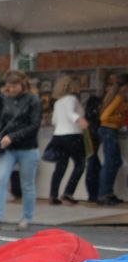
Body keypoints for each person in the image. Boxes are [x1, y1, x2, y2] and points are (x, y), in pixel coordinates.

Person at [0, 70, 42, 231]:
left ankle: (26, 217)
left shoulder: (33, 100)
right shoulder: (7, 100)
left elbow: (34, 125)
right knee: (0, 179)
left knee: (27, 184)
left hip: (27, 147)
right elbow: (3, 120)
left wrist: (13, 137)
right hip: (8, 147)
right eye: (8, 86)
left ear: (22, 84)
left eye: (14, 86)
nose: (11, 89)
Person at [44, 74, 86, 206]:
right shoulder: (72, 99)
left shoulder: (57, 102)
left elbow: (54, 120)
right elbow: (70, 113)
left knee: (61, 166)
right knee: (80, 164)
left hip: (58, 136)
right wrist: (79, 119)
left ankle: (53, 194)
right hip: (73, 135)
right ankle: (68, 192)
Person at [100, 71, 125, 205]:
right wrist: (120, 119)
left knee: (114, 162)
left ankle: (107, 192)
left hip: (110, 131)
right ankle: (104, 193)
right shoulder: (119, 97)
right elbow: (104, 117)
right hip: (108, 130)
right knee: (111, 162)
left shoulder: (118, 97)